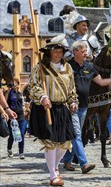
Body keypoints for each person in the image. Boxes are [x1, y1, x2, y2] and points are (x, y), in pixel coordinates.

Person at [62, 41, 111, 173]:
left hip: (83, 107)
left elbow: (101, 81)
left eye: (86, 51)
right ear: (75, 52)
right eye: (83, 51)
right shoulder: (68, 67)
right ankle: (84, 163)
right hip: (71, 106)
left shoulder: (89, 66)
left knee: (74, 134)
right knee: (76, 134)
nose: (86, 53)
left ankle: (67, 160)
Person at [29, 35, 78, 186]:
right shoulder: (40, 68)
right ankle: (52, 175)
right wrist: (42, 97)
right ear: (49, 52)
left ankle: (55, 167)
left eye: (61, 51)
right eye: (55, 51)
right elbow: (33, 86)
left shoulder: (68, 67)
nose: (58, 54)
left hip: (62, 108)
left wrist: (73, 102)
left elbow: (71, 88)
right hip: (46, 108)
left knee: (65, 143)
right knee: (50, 142)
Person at [6, 77, 27, 159]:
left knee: (21, 133)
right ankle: (9, 148)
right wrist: (8, 90)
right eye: (13, 82)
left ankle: (21, 152)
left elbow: (23, 104)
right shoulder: (9, 92)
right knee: (12, 135)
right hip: (12, 116)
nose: (14, 84)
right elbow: (5, 100)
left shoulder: (20, 94)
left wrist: (25, 111)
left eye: (15, 82)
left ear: (18, 84)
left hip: (21, 115)